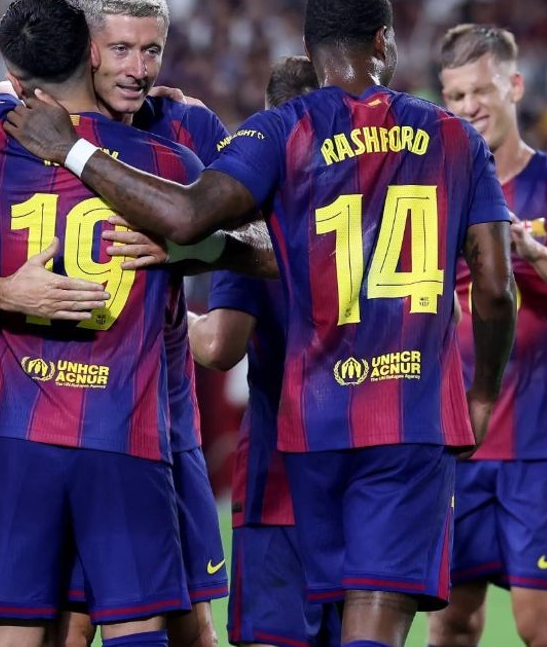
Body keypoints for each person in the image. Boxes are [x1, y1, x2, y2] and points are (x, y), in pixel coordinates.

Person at [5, 0, 517, 647]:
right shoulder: (454, 138)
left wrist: (72, 149)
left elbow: (187, 216)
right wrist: (483, 393)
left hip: (313, 424)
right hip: (413, 417)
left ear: (310, 50)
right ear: (382, 42)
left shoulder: (282, 129)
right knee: (374, 616)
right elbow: (495, 285)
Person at [0, 0, 211, 647]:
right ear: (90, 52)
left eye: (150, 50)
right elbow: (260, 240)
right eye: (122, 49)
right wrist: (190, 241)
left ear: (18, 77)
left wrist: (4, 291)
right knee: (139, 624)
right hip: (127, 429)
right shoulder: (175, 163)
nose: (138, 67)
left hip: (29, 427)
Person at [429, 24, 547, 647]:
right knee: (452, 623)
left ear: (513, 85)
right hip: (457, 441)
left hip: (538, 443)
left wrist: (531, 251)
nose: (469, 107)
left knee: (543, 631)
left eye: (480, 91)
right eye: (456, 96)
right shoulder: (437, 193)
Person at [189, 55, 336, 647]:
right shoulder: (376, 204)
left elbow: (220, 344)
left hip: (282, 470)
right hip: (371, 465)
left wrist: (170, 317)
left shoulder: (255, 219)